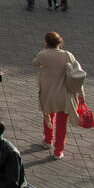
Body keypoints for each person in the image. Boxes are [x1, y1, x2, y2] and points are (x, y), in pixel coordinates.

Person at [32, 31, 85, 160]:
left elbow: (35, 63)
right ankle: (58, 151)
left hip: (48, 93)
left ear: (46, 43)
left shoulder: (43, 54)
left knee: (48, 116)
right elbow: (76, 73)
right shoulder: (68, 55)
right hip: (65, 94)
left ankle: (48, 140)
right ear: (59, 42)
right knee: (62, 123)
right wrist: (81, 94)